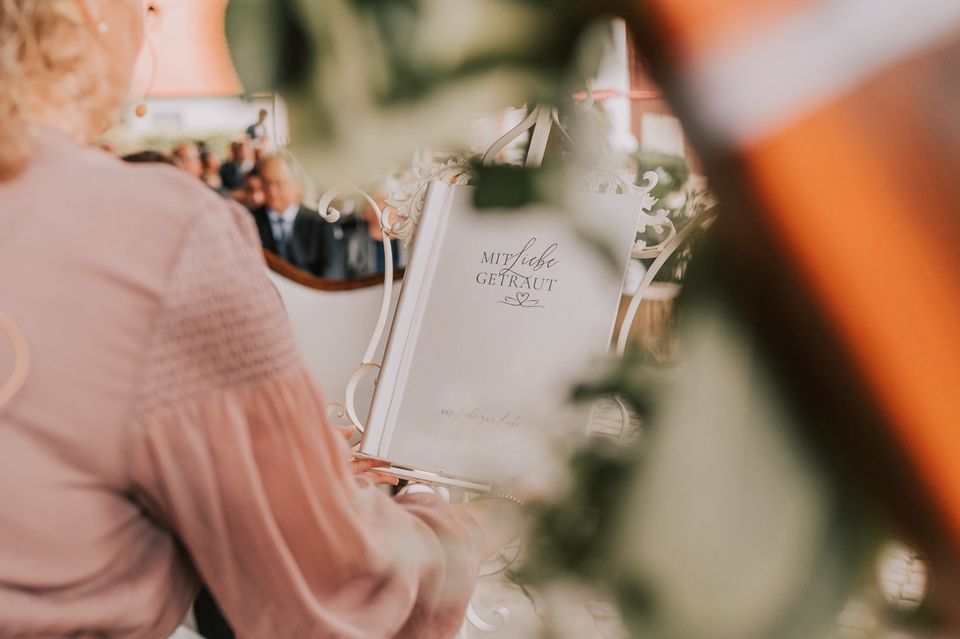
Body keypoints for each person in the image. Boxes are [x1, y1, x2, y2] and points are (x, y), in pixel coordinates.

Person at [0, 3, 521, 639]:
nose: (155, 12)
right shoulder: (161, 231)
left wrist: (287, 472)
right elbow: (334, 583)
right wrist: (472, 525)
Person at [251, 155, 348, 278]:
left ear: (297, 185)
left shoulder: (320, 223)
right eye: (266, 183)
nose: (271, 191)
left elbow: (333, 271)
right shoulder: (250, 222)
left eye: (279, 183)